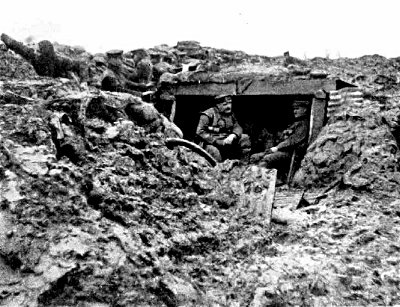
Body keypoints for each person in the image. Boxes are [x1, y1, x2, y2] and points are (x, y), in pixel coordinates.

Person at [250, 100, 309, 173]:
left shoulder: (303, 124)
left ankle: (264, 181)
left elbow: (292, 141)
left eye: (297, 109)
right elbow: (284, 137)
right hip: (281, 151)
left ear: (304, 110)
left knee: (267, 159)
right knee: (254, 157)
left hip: (290, 153)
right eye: (294, 109)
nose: (295, 111)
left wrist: (277, 147)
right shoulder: (295, 123)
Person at [196, 94, 251, 162]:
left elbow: (237, 127)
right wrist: (216, 141)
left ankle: (243, 164)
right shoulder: (208, 114)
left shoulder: (230, 115)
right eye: (225, 104)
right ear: (218, 105)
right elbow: (200, 132)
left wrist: (233, 135)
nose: (228, 107)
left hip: (227, 140)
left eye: (230, 103)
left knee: (244, 138)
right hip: (210, 143)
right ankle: (217, 170)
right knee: (215, 153)